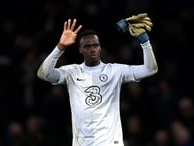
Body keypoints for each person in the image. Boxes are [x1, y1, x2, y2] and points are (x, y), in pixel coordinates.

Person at [37, 13, 158, 146]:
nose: (92, 49)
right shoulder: (72, 72)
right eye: (87, 46)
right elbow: (44, 74)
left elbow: (150, 69)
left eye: (95, 45)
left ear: (100, 48)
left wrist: (145, 41)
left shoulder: (115, 71)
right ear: (80, 50)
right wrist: (60, 47)